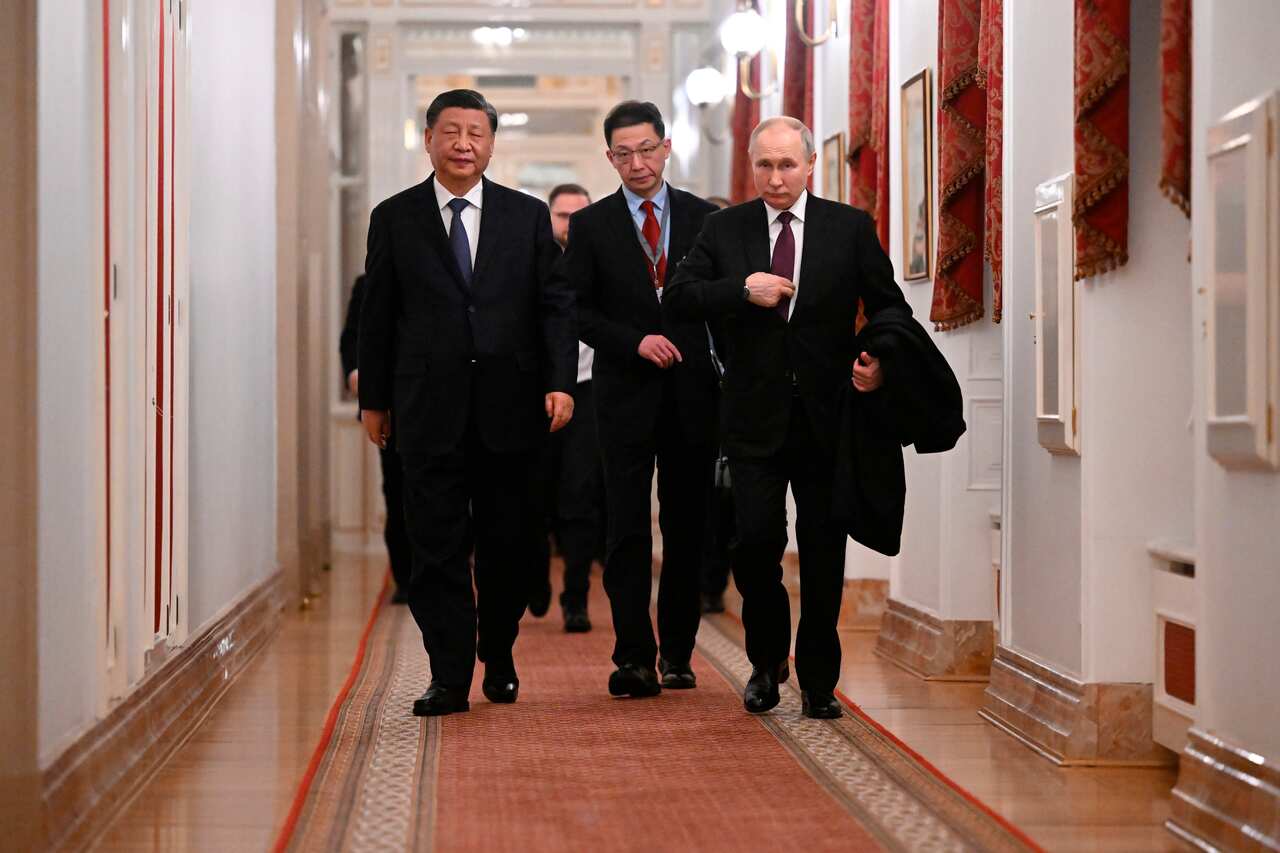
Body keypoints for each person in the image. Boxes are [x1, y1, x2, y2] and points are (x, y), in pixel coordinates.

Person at [664, 116, 912, 720]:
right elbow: (678, 297)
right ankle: (766, 659)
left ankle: (821, 679)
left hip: (829, 421)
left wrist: (877, 359)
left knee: (824, 550)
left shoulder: (848, 227)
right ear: (752, 167)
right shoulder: (724, 229)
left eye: (786, 165)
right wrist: (739, 289)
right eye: (764, 165)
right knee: (754, 546)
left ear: (808, 167)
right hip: (751, 420)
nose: (775, 177)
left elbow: (888, 306)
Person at [358, 89, 576, 717]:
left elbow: (554, 305)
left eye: (475, 133)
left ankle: (499, 651)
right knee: (435, 549)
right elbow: (379, 315)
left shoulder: (526, 215)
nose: (462, 144)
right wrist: (375, 398)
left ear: (489, 143)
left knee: (511, 546)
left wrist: (559, 379)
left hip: (513, 410)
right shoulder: (394, 217)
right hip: (427, 410)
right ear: (428, 139)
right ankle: (449, 674)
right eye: (450, 131)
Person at [559, 101, 719, 697]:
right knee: (625, 529)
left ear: (666, 147)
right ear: (609, 158)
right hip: (623, 395)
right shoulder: (593, 226)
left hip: (692, 395)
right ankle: (633, 656)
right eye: (623, 153)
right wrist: (633, 341)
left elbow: (717, 301)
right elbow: (577, 310)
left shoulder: (706, 220)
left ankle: (677, 652)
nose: (637, 162)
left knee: (685, 528)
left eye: (646, 149)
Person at [538, 182, 605, 633]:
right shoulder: (531, 261)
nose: (572, 224)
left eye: (580, 215)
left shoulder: (606, 262)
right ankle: (534, 576)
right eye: (564, 216)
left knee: (581, 498)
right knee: (534, 494)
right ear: (550, 219)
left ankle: (576, 595)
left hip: (590, 392)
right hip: (536, 393)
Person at [339, 274, 411, 604]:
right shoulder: (367, 285)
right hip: (391, 410)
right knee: (396, 493)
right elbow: (354, 336)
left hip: (437, 406)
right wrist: (359, 378)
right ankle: (405, 578)